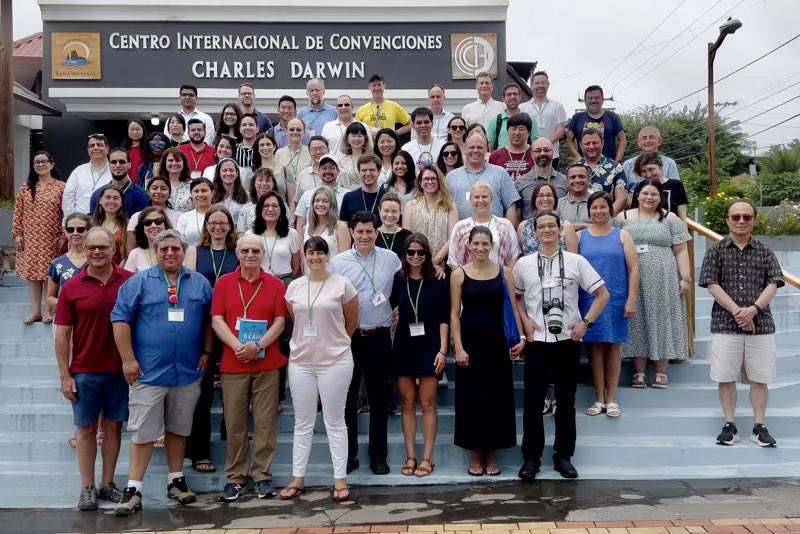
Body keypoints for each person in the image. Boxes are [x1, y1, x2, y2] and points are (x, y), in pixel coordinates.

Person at [111, 229, 214, 517]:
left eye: (176, 249)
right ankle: (133, 490)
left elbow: (209, 320)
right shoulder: (138, 282)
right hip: (148, 372)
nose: (170, 253)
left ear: (184, 251)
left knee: (179, 429)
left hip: (187, 372)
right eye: (164, 249)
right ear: (156, 252)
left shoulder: (200, 283)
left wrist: (207, 352)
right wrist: (128, 360)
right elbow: (120, 320)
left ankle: (176, 481)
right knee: (143, 432)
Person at [513, 211, 609, 481]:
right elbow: (517, 299)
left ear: (559, 229)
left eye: (551, 226)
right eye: (541, 226)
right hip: (537, 341)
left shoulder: (577, 262)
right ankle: (531, 458)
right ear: (534, 231)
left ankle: (563, 456)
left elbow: (603, 294)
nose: (546, 230)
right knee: (533, 402)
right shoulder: (524, 264)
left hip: (568, 340)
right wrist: (525, 322)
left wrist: (586, 323)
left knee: (566, 402)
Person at [55, 227, 133, 511]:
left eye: (103, 247)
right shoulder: (72, 287)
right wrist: (65, 375)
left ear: (114, 250)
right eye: (91, 248)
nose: (97, 252)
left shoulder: (129, 281)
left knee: (114, 427)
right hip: (85, 371)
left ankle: (107, 484)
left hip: (120, 370)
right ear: (84, 250)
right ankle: (87, 487)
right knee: (86, 430)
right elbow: (62, 334)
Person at [699, 199, 785, 448]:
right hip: (725, 323)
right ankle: (730, 425)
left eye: (747, 217)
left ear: (754, 220)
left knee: (760, 376)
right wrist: (739, 313)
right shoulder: (715, 250)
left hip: (762, 324)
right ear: (727, 220)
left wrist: (754, 310)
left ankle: (759, 426)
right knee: (725, 376)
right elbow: (711, 284)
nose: (741, 221)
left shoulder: (765, 250)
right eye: (736, 217)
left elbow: (774, 283)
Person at [210, 234, 287, 501]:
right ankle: (235, 478)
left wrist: (258, 346)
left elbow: (280, 320)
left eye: (255, 250)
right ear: (238, 254)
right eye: (245, 250)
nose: (250, 254)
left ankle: (262, 476)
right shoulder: (224, 283)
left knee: (265, 422)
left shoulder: (275, 284)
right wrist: (237, 347)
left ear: (263, 254)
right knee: (234, 423)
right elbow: (217, 319)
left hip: (266, 362)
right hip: (234, 362)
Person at [281, 236, 359, 501]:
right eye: (310, 253)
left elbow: (351, 322)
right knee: (302, 422)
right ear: (304, 256)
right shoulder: (294, 287)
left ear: (328, 256)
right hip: (301, 361)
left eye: (320, 253)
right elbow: (297, 318)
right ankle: (298, 478)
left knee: (335, 421)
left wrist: (335, 342)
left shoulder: (342, 284)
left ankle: (340, 479)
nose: (315, 257)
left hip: (335, 360)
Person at [329, 211, 402, 475]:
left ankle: (378, 455)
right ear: (352, 232)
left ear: (376, 232)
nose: (364, 236)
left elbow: (397, 291)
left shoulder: (391, 259)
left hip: (379, 336)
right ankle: (349, 456)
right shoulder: (338, 262)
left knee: (379, 399)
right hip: (348, 338)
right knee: (347, 400)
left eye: (369, 231)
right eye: (359, 231)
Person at [450, 226, 525, 476]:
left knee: (496, 398)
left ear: (492, 245)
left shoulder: (505, 272)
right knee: (471, 399)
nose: (480, 248)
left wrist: (520, 337)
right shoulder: (459, 275)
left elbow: (513, 308)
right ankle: (474, 451)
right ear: (468, 246)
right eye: (476, 244)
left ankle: (492, 451)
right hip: (470, 344)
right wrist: (458, 347)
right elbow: (454, 314)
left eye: (485, 244)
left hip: (497, 344)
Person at [569, 193, 639, 418]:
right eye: (595, 208)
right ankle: (599, 398)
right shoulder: (580, 237)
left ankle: (612, 399)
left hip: (617, 298)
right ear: (589, 211)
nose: (599, 211)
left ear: (611, 210)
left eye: (603, 207)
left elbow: (633, 270)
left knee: (613, 347)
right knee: (594, 348)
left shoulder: (623, 235)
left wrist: (631, 299)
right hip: (589, 299)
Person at [616, 179, 691, 388]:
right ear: (637, 195)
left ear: (660, 197)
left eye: (654, 194)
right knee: (637, 320)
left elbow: (681, 249)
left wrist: (685, 278)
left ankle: (661, 372)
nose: (649, 198)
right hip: (632, 277)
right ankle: (639, 372)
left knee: (662, 319)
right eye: (645, 193)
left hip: (664, 277)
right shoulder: (622, 218)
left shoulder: (670, 218)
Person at [183, 205, 240, 475]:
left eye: (223, 223)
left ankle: (230, 434)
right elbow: (188, 287)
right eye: (213, 222)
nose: (218, 227)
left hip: (232, 328)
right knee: (203, 392)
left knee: (233, 387)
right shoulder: (195, 252)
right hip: (203, 327)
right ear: (206, 225)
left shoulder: (238, 252)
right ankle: (199, 451)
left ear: (230, 226)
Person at [391, 233, 449, 478]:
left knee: (427, 403)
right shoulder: (398, 279)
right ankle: (411, 455)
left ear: (427, 254)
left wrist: (443, 350)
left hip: (430, 345)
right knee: (407, 403)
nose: (415, 256)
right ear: (404, 255)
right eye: (410, 252)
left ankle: (427, 457)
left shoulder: (437, 279)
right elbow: (391, 307)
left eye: (420, 252)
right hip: (404, 344)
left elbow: (445, 317)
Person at [13, 151, 65, 324]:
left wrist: (64, 234)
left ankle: (48, 311)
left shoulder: (61, 187)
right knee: (33, 275)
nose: (40, 164)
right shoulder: (25, 187)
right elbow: (17, 213)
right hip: (31, 238)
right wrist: (18, 234)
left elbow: (65, 213)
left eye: (44, 161)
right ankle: (35, 311)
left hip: (52, 238)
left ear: (52, 164)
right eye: (36, 162)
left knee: (49, 275)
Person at [447, 134, 520, 224]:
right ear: (465, 149)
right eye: (471, 147)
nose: (475, 150)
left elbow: (511, 206)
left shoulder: (500, 173)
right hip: (462, 233)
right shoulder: (451, 176)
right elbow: (444, 208)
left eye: (480, 147)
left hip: (494, 233)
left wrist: (507, 232)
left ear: (486, 149)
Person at [448, 181, 520, 268]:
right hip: (468, 280)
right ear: (470, 199)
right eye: (476, 197)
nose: (480, 200)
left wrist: (503, 279)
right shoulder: (460, 227)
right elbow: (453, 260)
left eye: (484, 197)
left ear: (491, 199)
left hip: (499, 279)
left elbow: (513, 257)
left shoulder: (505, 225)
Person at [403, 164, 458, 269]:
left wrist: (435, 261)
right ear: (420, 183)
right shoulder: (411, 205)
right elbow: (407, 238)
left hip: (440, 265)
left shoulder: (450, 205)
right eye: (426, 179)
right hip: (415, 263)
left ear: (439, 181)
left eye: (433, 179)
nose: (430, 182)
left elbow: (452, 238)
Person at [46, 213, 90, 333]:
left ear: (88, 231)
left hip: (92, 319)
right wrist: (66, 303)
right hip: (65, 319)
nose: (75, 233)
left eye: (80, 229)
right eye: (70, 229)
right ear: (65, 232)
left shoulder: (96, 259)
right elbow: (50, 297)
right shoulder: (57, 263)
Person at [248, 191, 301, 282]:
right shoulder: (250, 235)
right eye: (266, 206)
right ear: (260, 210)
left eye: (275, 206)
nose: (270, 209)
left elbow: (296, 267)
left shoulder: (292, 234)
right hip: (258, 281)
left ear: (281, 210)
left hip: (285, 281)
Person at [519, 71, 569, 168]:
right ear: (531, 86)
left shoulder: (557, 106)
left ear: (548, 84)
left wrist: (544, 146)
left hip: (551, 155)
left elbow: (560, 131)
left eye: (543, 82)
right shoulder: (523, 108)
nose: (540, 85)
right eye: (537, 83)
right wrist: (536, 148)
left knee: (550, 182)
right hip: (529, 154)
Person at [566, 85, 626, 163]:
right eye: (590, 98)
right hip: (585, 167)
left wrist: (617, 160)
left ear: (602, 99)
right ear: (585, 100)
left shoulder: (612, 117)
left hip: (608, 166)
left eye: (596, 97)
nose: (593, 101)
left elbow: (622, 139)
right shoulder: (577, 118)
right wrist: (578, 158)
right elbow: (569, 141)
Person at [294, 154, 349, 239]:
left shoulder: (347, 195)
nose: (327, 171)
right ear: (318, 171)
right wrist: (301, 249)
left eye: (331, 168)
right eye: (324, 168)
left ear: (338, 171)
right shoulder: (307, 195)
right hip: (311, 245)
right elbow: (300, 226)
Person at [577, 128, 628, 215]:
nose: (591, 146)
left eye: (595, 143)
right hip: (580, 218)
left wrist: (605, 218)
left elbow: (622, 199)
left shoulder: (616, 168)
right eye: (587, 143)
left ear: (602, 143)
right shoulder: (574, 169)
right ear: (581, 145)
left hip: (608, 218)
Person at [125, 176, 182, 252]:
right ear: (148, 192)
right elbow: (130, 248)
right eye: (154, 188)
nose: (158, 192)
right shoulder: (137, 217)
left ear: (170, 193)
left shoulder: (180, 216)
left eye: (163, 188)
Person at [515, 138, 568, 219]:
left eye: (546, 150)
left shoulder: (565, 181)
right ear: (532, 155)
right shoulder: (520, 183)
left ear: (553, 153)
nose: (542, 153)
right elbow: (517, 216)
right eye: (538, 150)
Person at [89, 148, 149, 217]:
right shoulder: (97, 195)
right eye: (114, 162)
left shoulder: (141, 195)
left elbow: (142, 224)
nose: (117, 165)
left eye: (122, 162)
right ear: (109, 165)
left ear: (129, 165)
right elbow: (93, 224)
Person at [62, 133, 111, 217]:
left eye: (99, 145)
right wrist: (72, 221)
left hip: (107, 224)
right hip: (82, 225)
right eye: (92, 146)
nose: (96, 148)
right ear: (88, 150)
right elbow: (68, 199)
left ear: (107, 149)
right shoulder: (78, 172)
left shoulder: (116, 170)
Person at [355, 73, 412, 140]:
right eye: (374, 85)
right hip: (369, 149)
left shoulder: (394, 106)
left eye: (379, 84)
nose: (377, 88)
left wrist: (395, 133)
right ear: (369, 87)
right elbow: (355, 130)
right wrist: (367, 133)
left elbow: (411, 124)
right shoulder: (361, 110)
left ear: (384, 86)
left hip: (388, 147)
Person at [486, 83, 539, 151]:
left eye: (515, 94)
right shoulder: (494, 121)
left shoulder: (530, 120)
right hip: (501, 160)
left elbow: (534, 144)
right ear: (503, 98)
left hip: (523, 159)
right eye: (509, 94)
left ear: (520, 97)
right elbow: (491, 148)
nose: (512, 97)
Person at [517, 183, 565, 257]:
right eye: (540, 195)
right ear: (534, 199)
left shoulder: (565, 226)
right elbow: (518, 255)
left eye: (549, 195)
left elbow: (573, 259)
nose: (545, 199)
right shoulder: (523, 226)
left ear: (555, 199)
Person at [638, 152, 688, 223]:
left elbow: (682, 218)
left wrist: (684, 233)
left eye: (651, 169)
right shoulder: (640, 187)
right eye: (644, 171)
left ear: (660, 167)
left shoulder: (676, 185)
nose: (648, 175)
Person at [303, 187, 351, 257]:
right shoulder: (306, 228)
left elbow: (345, 260)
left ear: (332, 204)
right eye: (317, 201)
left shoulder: (340, 227)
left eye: (325, 201)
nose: (320, 204)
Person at [122, 206, 172, 273]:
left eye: (158, 221)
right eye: (147, 222)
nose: (153, 226)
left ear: (166, 225)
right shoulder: (135, 254)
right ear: (142, 228)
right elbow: (127, 281)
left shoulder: (177, 251)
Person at [339, 154, 386, 224]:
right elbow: (343, 226)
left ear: (379, 172)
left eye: (372, 170)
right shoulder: (349, 197)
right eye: (364, 170)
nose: (368, 174)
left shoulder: (387, 197)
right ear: (359, 172)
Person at [275, 118, 312, 206]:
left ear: (304, 132)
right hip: (285, 200)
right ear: (286, 131)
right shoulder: (279, 153)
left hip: (306, 200)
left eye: (299, 129)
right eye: (291, 129)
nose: (295, 132)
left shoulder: (310, 152)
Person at [488, 113, 536, 179]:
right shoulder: (495, 156)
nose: (517, 133)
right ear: (507, 131)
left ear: (529, 132)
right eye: (513, 129)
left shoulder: (536, 154)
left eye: (521, 129)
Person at [91, 185, 128, 266]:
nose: (111, 201)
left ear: (121, 203)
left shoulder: (128, 226)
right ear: (100, 200)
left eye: (115, 198)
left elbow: (127, 256)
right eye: (107, 197)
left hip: (118, 271)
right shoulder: (91, 224)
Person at [402, 107, 446, 173]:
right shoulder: (406, 149)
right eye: (419, 123)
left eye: (426, 122)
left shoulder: (443, 146)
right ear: (413, 126)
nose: (423, 125)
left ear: (432, 124)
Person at [176, 178, 215, 247]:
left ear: (212, 193)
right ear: (191, 194)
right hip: (190, 256)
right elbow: (179, 243)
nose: (200, 194)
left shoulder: (222, 214)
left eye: (204, 191)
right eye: (196, 191)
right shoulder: (184, 217)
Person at [239, 166, 278, 234]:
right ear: (254, 183)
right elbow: (241, 234)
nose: (264, 184)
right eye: (260, 180)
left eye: (267, 180)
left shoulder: (281, 207)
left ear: (273, 184)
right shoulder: (245, 209)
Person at [294, 136, 330, 207]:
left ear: (328, 149)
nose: (318, 152)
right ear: (309, 151)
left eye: (321, 148)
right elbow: (298, 202)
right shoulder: (303, 174)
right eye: (314, 149)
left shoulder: (340, 173)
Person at [253, 133, 290, 201]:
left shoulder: (286, 171)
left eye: (268, 144)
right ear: (258, 149)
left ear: (274, 147)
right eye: (262, 145)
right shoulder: (252, 172)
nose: (265, 148)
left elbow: (291, 200)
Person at [211, 157, 248, 224]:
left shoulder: (247, 195)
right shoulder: (211, 194)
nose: (228, 173)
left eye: (231, 170)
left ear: (237, 173)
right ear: (219, 174)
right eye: (224, 170)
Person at [337, 122, 373, 190]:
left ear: (365, 138)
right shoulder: (341, 159)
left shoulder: (371, 158)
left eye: (360, 136)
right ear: (347, 138)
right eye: (353, 136)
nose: (356, 139)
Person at [556, 164, 593, 230]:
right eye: (573, 177)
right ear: (566, 182)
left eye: (581, 176)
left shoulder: (598, 203)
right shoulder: (557, 205)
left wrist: (567, 226)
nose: (577, 180)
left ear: (589, 181)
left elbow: (604, 227)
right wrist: (584, 226)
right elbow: (555, 228)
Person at [376, 193, 412, 257]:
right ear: (379, 211)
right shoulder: (372, 234)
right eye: (386, 211)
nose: (390, 215)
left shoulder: (408, 236)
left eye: (394, 211)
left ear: (400, 212)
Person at [159, 147, 195, 213]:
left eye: (178, 160)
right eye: (170, 160)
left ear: (183, 163)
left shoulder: (193, 185)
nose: (174, 163)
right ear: (165, 163)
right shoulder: (158, 184)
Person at [235, 113, 260, 186]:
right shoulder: (234, 150)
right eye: (244, 125)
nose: (247, 127)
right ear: (240, 129)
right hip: (239, 189)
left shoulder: (263, 149)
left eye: (251, 125)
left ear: (257, 129)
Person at [124, 119, 146, 183]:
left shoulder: (148, 150)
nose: (135, 132)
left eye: (138, 129)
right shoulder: (123, 150)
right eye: (132, 129)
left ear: (143, 131)